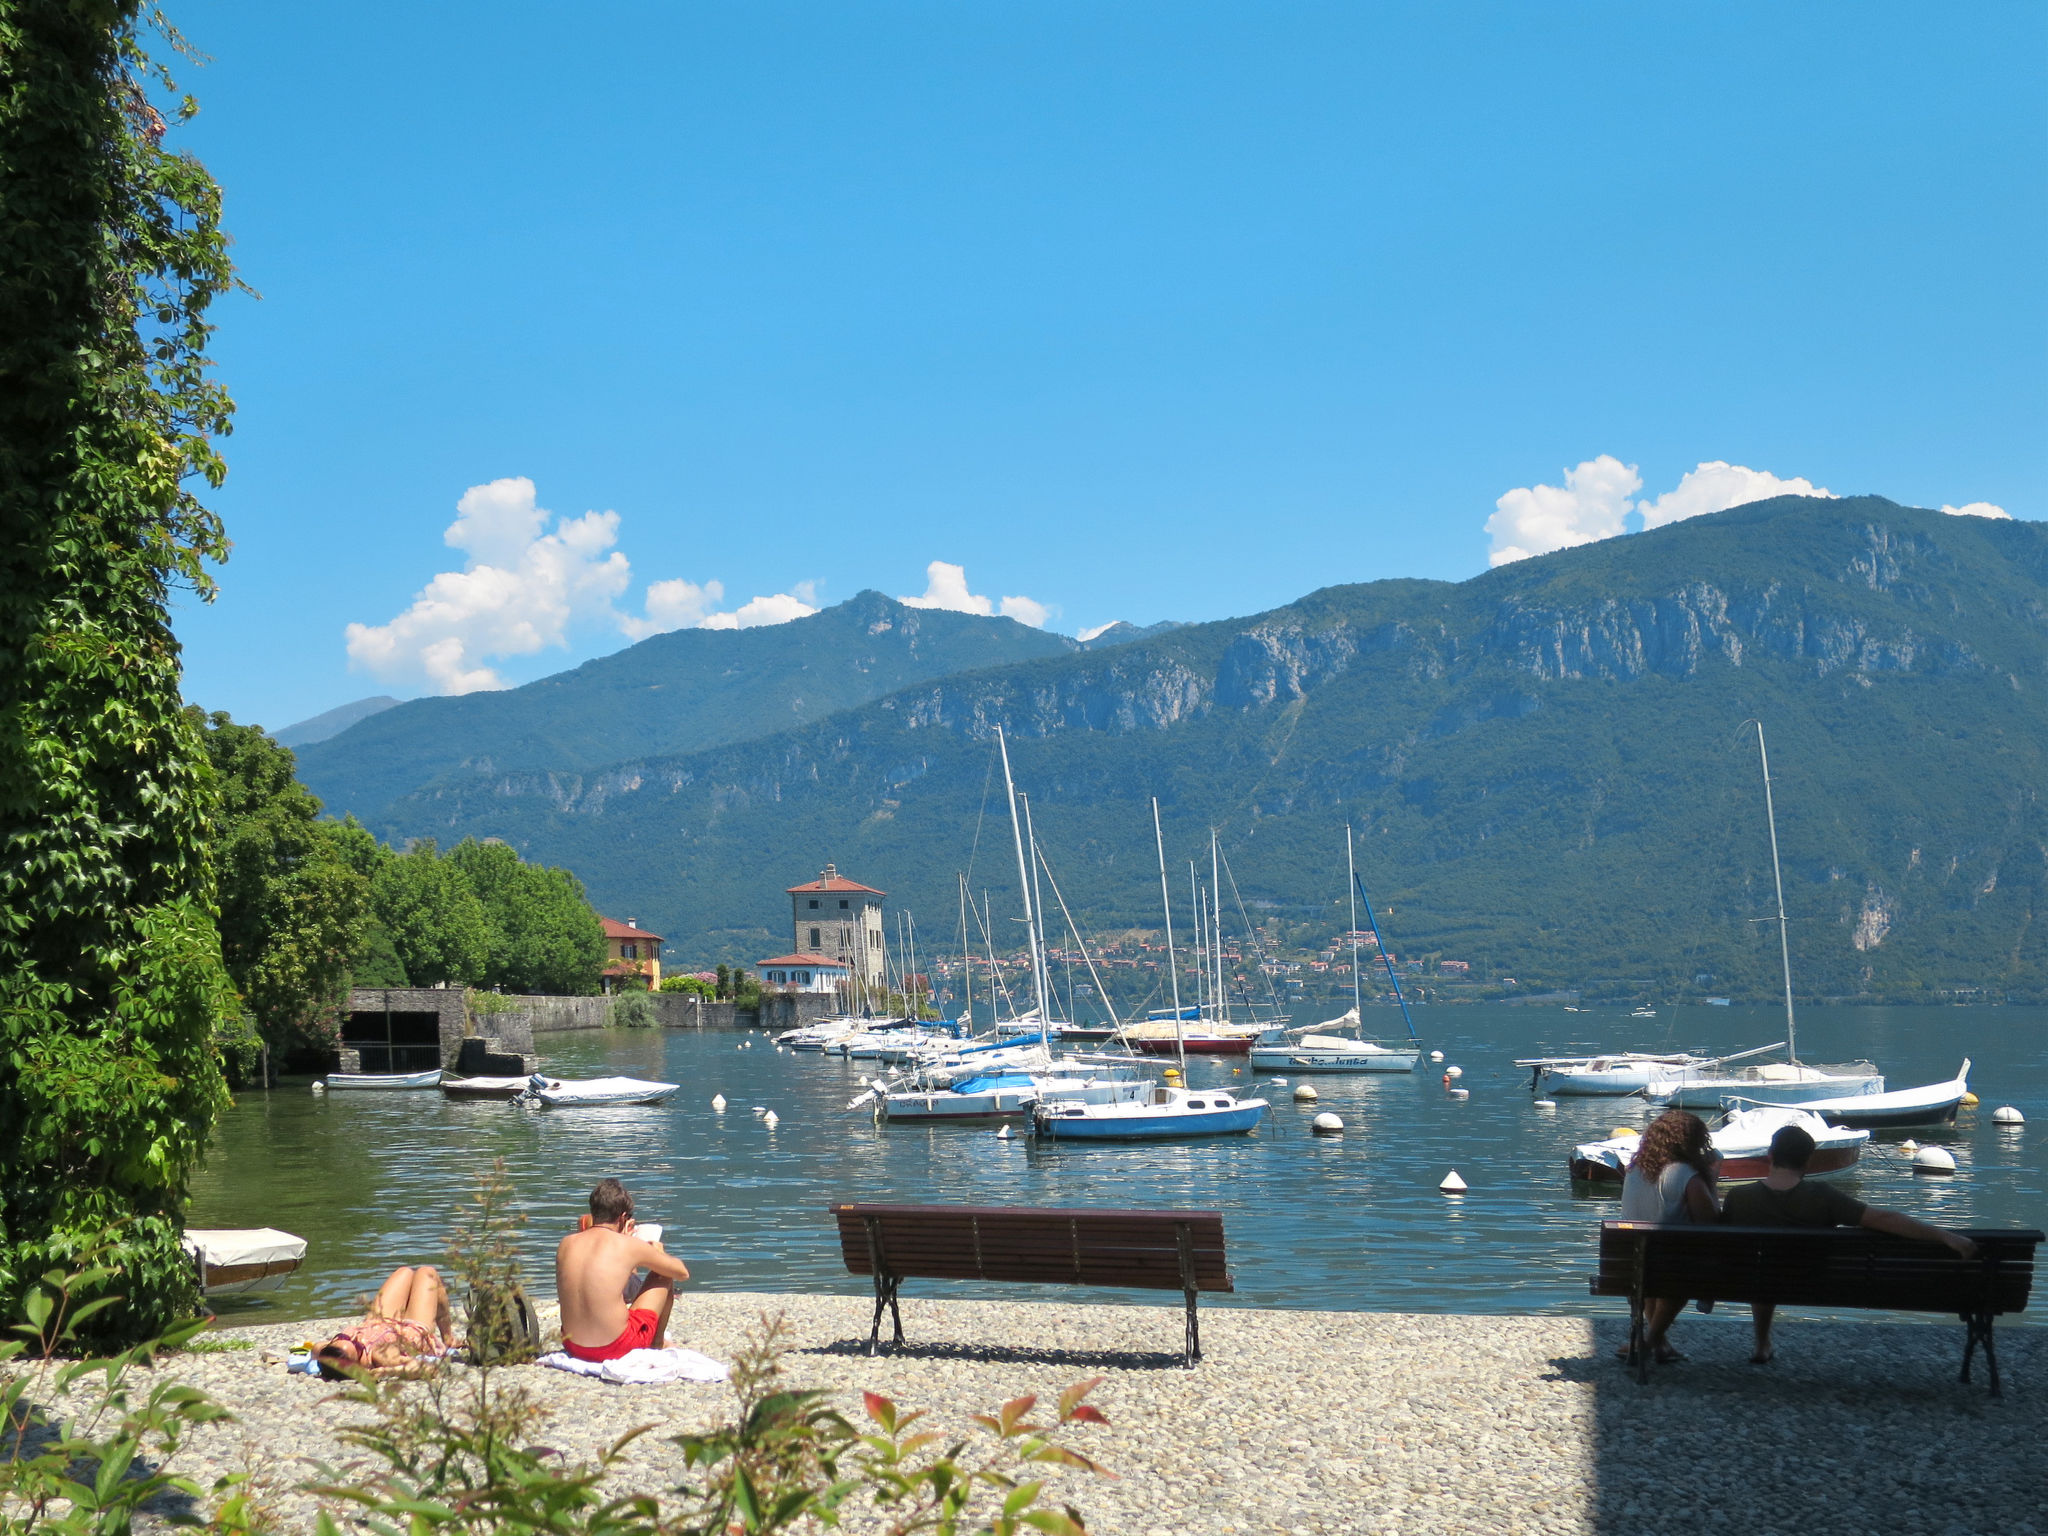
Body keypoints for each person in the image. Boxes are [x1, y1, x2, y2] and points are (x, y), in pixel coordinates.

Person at [1721, 1122, 1978, 1364]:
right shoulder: (1822, 1196)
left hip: (1752, 1281)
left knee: (1765, 1267)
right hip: (1813, 1283)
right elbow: (1884, 1219)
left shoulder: (1739, 1197)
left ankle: (1760, 1343)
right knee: (1773, 1268)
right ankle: (1762, 1343)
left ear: (1770, 1155)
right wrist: (1945, 1235)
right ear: (1809, 1160)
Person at [1616, 1109, 1722, 1364]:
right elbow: (1710, 1223)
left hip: (1630, 1266)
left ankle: (1657, 1344)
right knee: (1680, 1272)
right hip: (1673, 1269)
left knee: (1657, 1266)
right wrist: (1712, 1180)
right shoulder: (1686, 1175)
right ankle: (1648, 1343)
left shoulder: (1633, 1170)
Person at [556, 1177, 691, 1362]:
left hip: (573, 1344)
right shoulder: (628, 1245)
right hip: (615, 1346)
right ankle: (657, 1343)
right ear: (623, 1218)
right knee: (663, 1275)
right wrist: (659, 1252)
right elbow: (682, 1272)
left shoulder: (566, 1243)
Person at [316, 1265, 457, 1378]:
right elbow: (429, 1369)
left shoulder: (330, 1351)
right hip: (411, 1329)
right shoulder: (383, 1357)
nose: (352, 1339)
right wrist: (391, 1372)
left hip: (378, 1321)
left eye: (346, 1338)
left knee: (405, 1271)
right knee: (427, 1272)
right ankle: (448, 1338)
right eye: (358, 1347)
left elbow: (318, 1349)